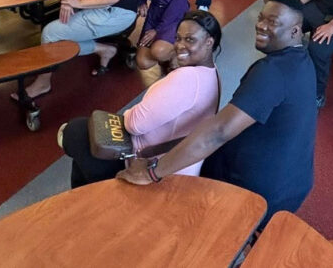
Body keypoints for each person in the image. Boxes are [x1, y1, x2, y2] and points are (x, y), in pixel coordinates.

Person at [118, 0, 317, 227]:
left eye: (272, 22)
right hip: (293, 181)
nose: (261, 26)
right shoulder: (302, 61)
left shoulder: (272, 72)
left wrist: (152, 172)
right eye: (261, 18)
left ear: (295, 31)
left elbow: (218, 132)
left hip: (260, 188)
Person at [65, 10, 221, 186]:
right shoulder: (211, 72)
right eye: (178, 38)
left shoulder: (188, 78)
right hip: (174, 164)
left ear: (209, 42)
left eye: (190, 40)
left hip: (149, 167)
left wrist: (129, 113)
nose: (180, 46)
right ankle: (86, 192)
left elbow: (134, 124)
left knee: (75, 133)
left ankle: (99, 193)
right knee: (82, 145)